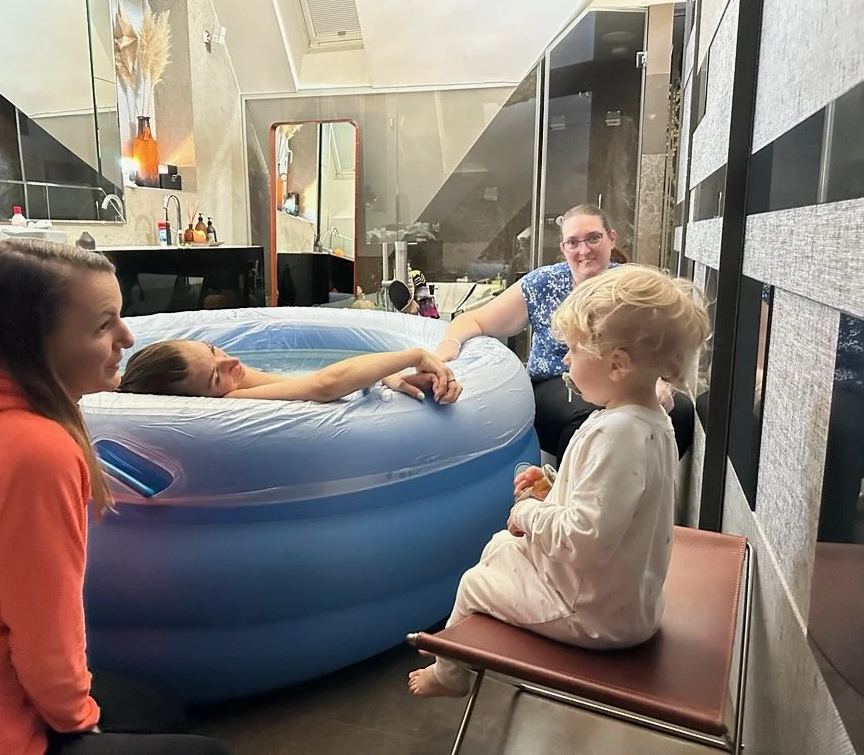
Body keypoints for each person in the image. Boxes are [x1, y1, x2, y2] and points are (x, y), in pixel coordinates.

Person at [0, 239, 228, 755]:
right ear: (35, 343)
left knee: (153, 707)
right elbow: (45, 638)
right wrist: (78, 720)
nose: (128, 337)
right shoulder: (35, 452)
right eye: (102, 325)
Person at [408, 265, 709, 698]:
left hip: (593, 615)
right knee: (500, 546)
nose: (564, 360)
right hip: (627, 599)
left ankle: (450, 674)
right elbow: (616, 503)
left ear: (617, 364)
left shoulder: (617, 435)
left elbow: (585, 537)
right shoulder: (649, 420)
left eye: (572, 350)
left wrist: (529, 512)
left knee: (474, 582)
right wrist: (553, 488)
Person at [433, 204, 695, 464]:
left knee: (678, 411)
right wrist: (449, 344)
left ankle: (645, 488)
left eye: (593, 238)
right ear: (563, 248)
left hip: (620, 380)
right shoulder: (543, 283)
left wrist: (660, 381)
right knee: (588, 418)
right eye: (573, 242)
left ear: (611, 238)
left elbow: (661, 341)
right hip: (555, 383)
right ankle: (570, 497)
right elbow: (475, 319)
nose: (584, 250)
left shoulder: (632, 285)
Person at [118, 338, 462, 404]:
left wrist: (385, 375)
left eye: (213, 350)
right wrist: (412, 354)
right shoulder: (235, 397)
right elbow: (324, 385)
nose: (231, 362)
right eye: (215, 377)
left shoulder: (232, 378)